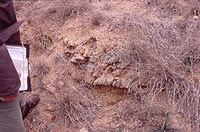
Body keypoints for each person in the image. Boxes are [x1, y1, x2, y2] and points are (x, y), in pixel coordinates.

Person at [0, 0, 40, 131]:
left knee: (19, 83)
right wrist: (5, 84)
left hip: (7, 37)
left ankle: (22, 109)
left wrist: (13, 38)